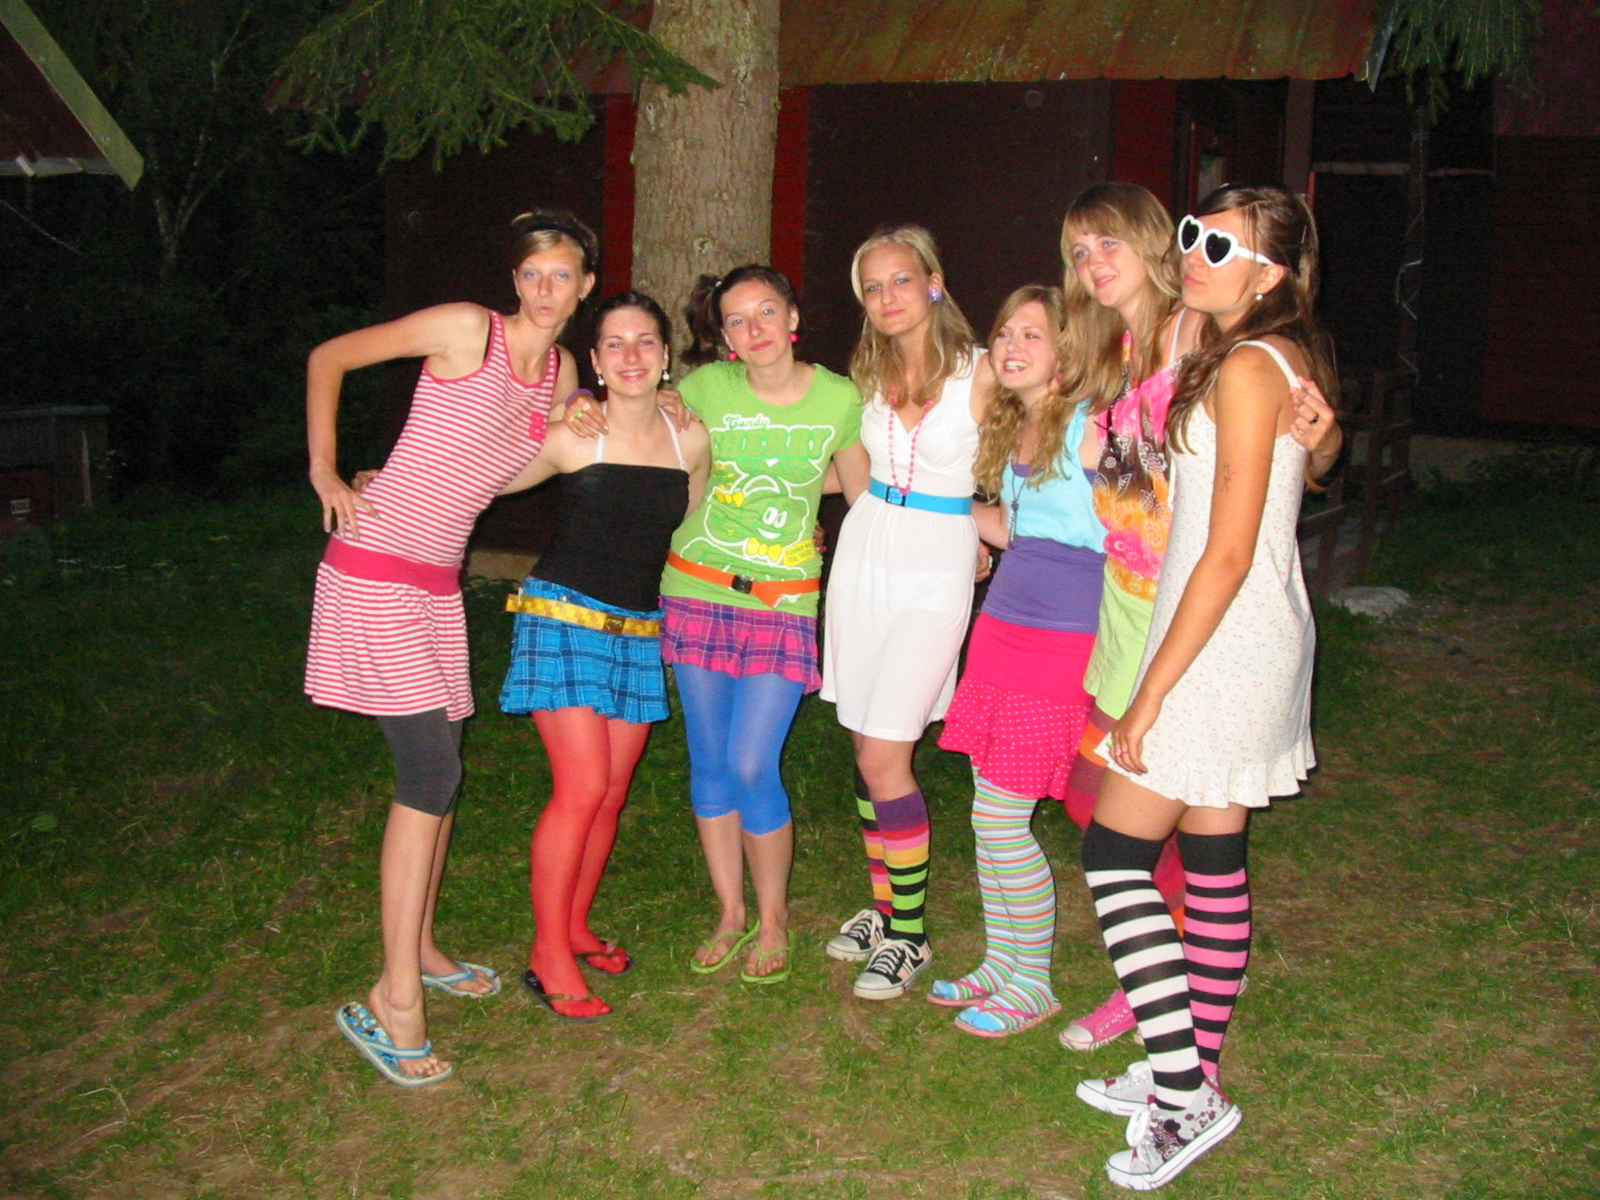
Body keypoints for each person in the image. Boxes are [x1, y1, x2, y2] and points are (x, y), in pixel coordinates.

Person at [1074, 183, 1337, 1190]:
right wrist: (1325, 439)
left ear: (1270, 273)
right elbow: (1303, 462)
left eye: (1219, 246)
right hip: (1242, 631)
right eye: (1193, 233)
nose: (1193, 253)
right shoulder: (1266, 353)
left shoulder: (1247, 365)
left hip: (1221, 640)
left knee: (1114, 853)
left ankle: (1185, 1096)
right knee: (1215, 856)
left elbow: (1225, 551)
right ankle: (1186, 1066)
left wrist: (1148, 697)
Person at [306, 210, 595, 1086]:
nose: (545, 288)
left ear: (583, 288)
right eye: (532, 273)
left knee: (445, 766)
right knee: (429, 773)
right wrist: (325, 470)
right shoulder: (467, 329)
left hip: (437, 583)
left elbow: (501, 472)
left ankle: (423, 947)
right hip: (374, 568)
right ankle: (394, 998)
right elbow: (330, 358)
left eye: (562, 275)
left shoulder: (560, 373)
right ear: (516, 281)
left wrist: (578, 432)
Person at [566, 265, 867, 984]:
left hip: (783, 602)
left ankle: (774, 916)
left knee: (752, 763)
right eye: (737, 320)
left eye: (766, 312)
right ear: (725, 336)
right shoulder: (702, 389)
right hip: (695, 591)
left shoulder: (838, 397)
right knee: (709, 763)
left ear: (792, 317)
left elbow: (864, 495)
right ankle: (731, 912)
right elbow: (633, 416)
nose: (754, 329)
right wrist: (579, 398)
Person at [497, 292, 711, 1021]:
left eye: (645, 341)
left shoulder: (690, 439)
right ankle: (546, 953)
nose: (630, 355)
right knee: (582, 787)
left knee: (612, 793)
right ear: (594, 360)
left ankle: (575, 926)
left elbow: (695, 523)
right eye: (614, 344)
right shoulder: (570, 435)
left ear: (666, 355)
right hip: (562, 618)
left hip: (638, 627)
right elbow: (481, 475)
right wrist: (386, 483)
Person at [820, 225, 994, 1001]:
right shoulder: (860, 376)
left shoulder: (982, 370)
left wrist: (991, 530)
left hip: (936, 563)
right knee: (866, 741)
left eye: (900, 279)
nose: (887, 297)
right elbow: (834, 464)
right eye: (872, 286)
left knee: (886, 752)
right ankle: (885, 907)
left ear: (933, 281)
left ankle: (912, 936)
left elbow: (1033, 457)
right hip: (865, 552)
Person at [931, 285, 1107, 1036]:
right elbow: (1016, 528)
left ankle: (1034, 981)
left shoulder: (1094, 427)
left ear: (1068, 349)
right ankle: (1002, 962)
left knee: (1003, 819)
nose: (1011, 346)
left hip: (1064, 642)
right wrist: (934, 505)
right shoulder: (1016, 429)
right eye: (1004, 333)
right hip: (1001, 629)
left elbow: (1131, 533)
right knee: (986, 811)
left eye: (1033, 335)